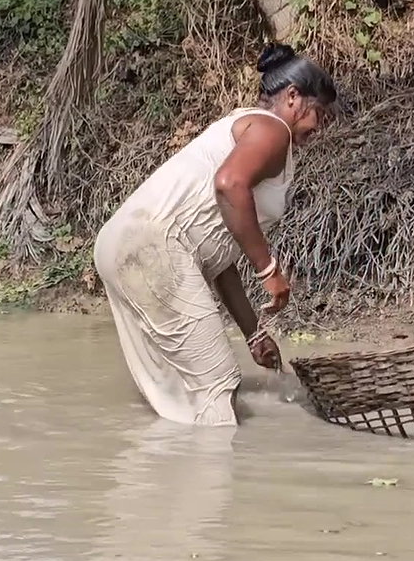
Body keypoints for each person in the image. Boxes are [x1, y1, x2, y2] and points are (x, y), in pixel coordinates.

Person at [93, 42, 339, 426]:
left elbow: (221, 260)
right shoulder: (272, 130)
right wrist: (269, 270)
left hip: (128, 244)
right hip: (153, 246)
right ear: (293, 97)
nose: (319, 129)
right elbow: (229, 183)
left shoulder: (249, 128)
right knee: (216, 385)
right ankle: (215, 479)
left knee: (184, 394)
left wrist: (253, 334)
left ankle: (172, 472)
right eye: (319, 114)